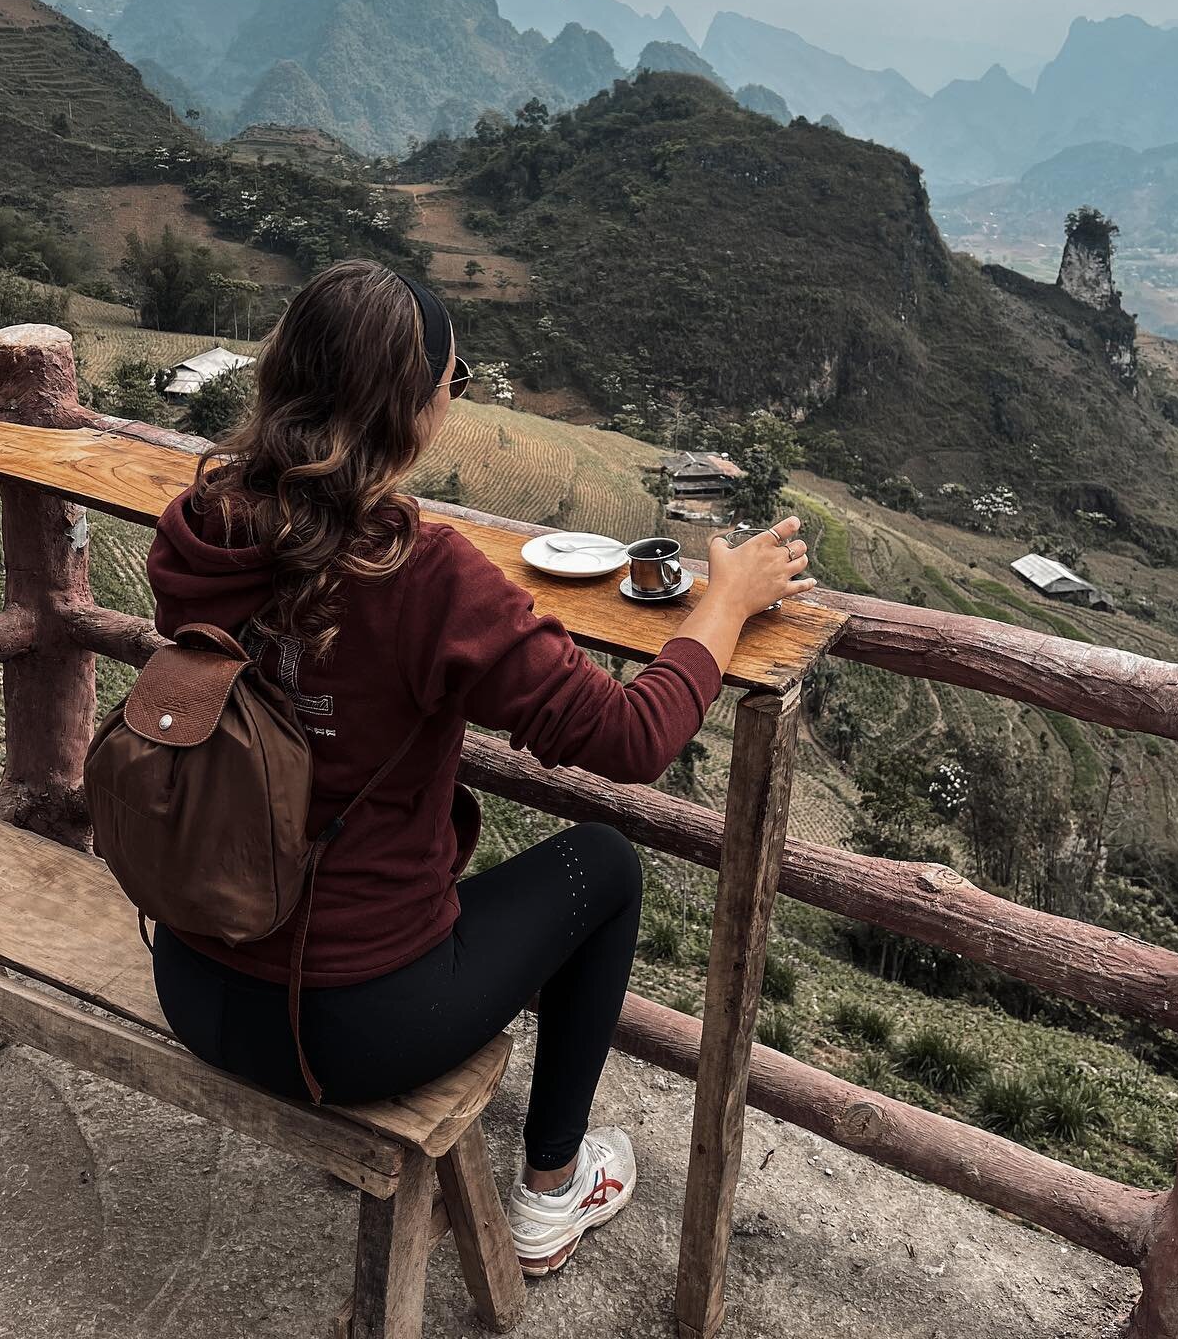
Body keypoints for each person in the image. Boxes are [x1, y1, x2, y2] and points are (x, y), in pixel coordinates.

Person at [146, 259, 817, 1277]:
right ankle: (553, 1187)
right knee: (605, 863)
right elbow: (633, 740)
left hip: (194, 977)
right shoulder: (423, 575)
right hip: (348, 1032)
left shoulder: (202, 531)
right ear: (410, 408)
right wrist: (724, 606)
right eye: (453, 385)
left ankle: (537, 1173)